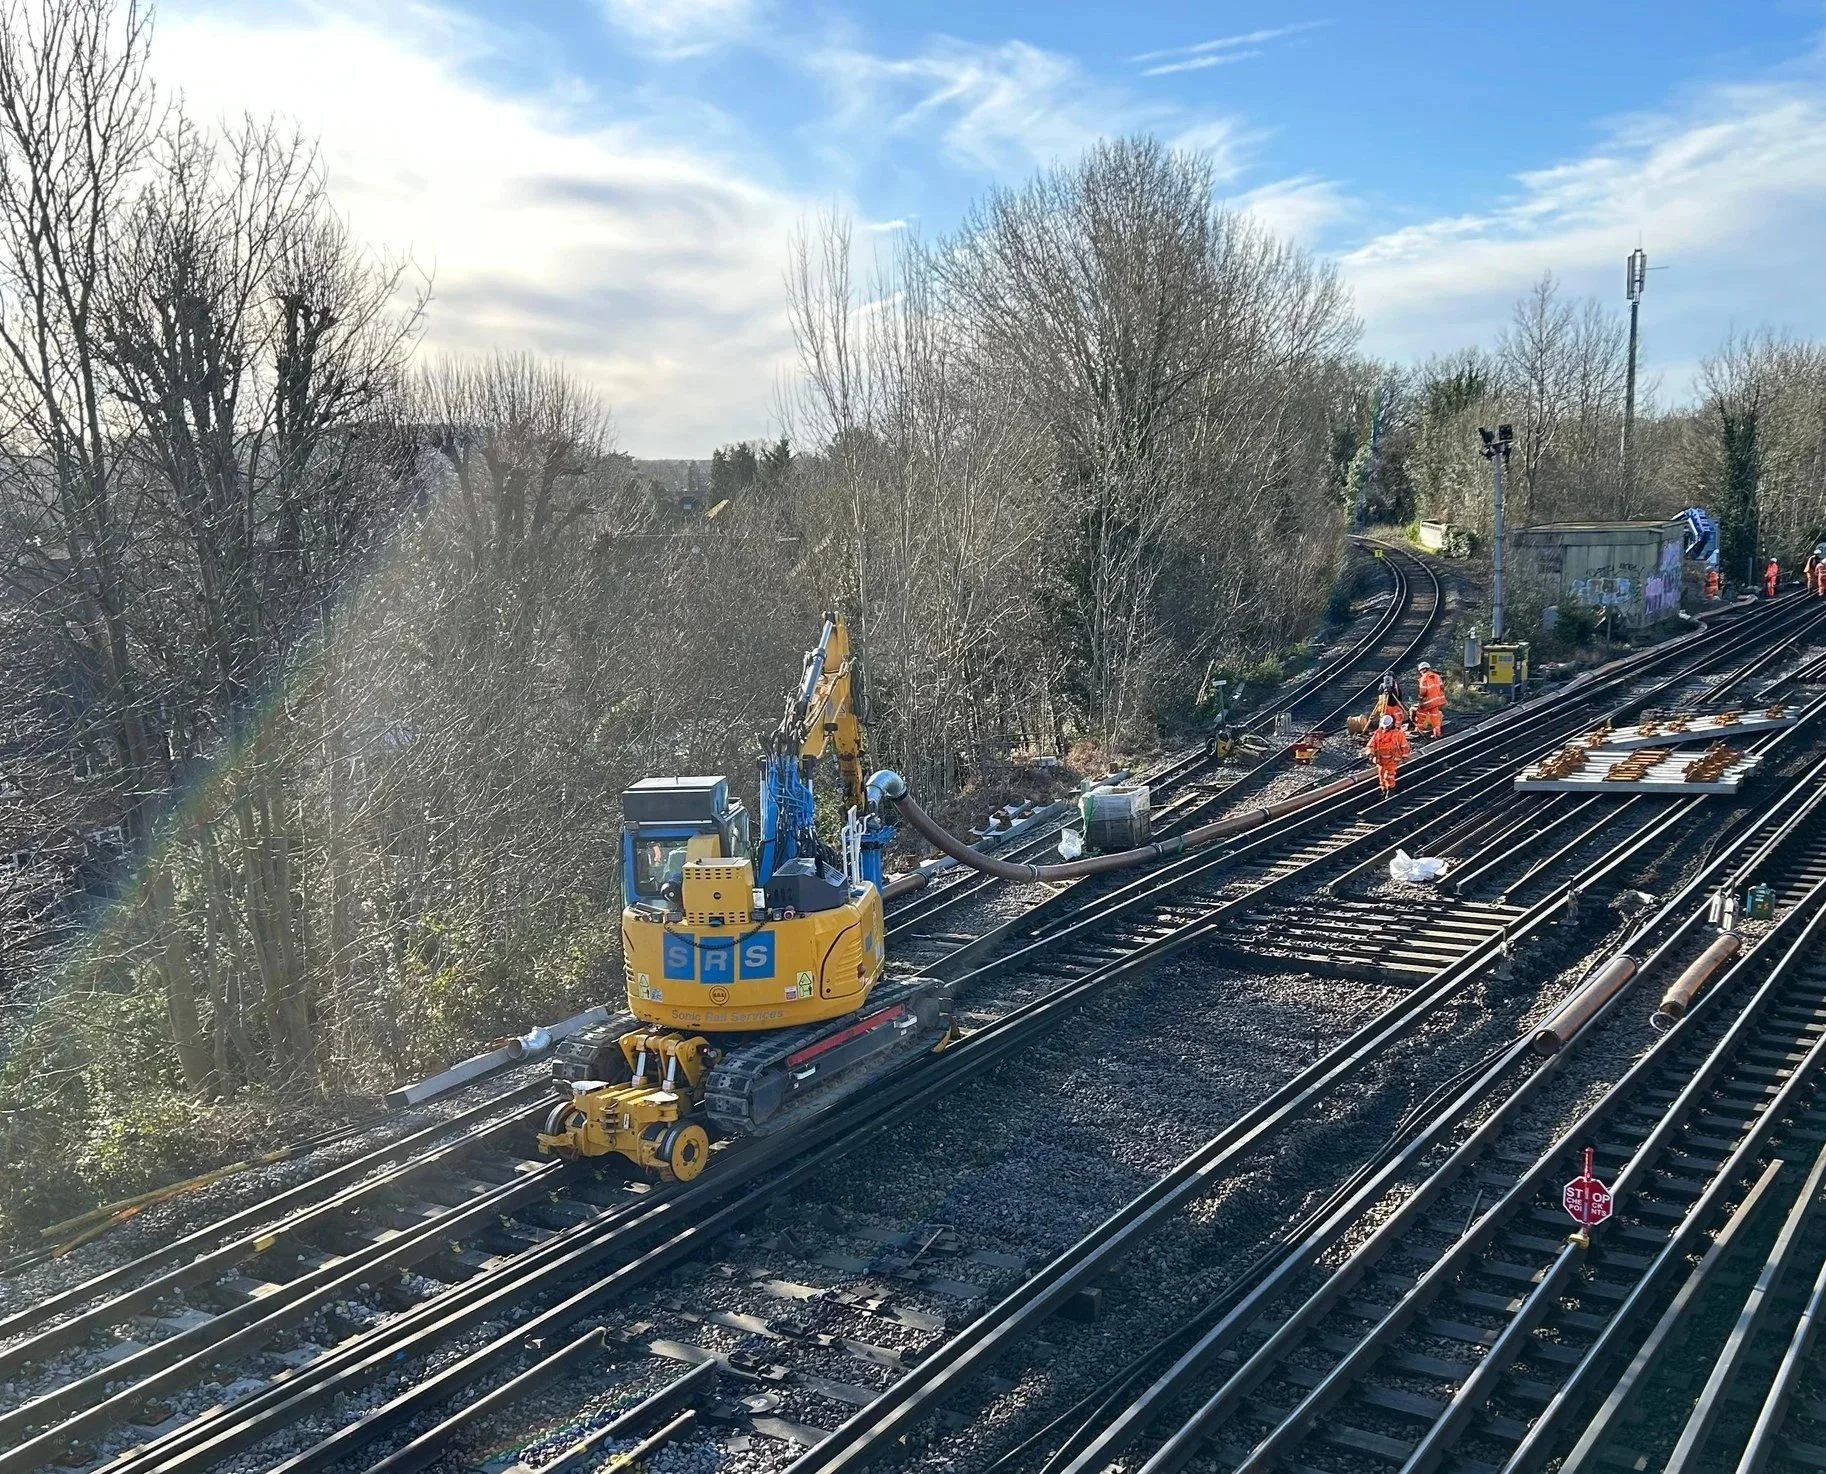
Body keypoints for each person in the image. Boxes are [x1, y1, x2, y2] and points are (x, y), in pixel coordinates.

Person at [1365, 712, 1411, 797]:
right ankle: (1384, 790)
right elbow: (1371, 744)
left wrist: (1405, 756)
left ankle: (1390, 790)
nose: (1385, 727)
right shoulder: (1378, 733)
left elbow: (1404, 746)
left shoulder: (1397, 734)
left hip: (1392, 760)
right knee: (1382, 777)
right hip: (1381, 760)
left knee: (1389, 776)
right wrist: (1370, 753)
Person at [1414, 661, 1446, 739]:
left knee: (1420, 713)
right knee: (1435, 717)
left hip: (1428, 702)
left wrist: (1420, 698)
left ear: (1423, 670)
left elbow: (1423, 691)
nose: (1420, 673)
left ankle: (1418, 729)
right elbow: (1442, 687)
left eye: (1420, 671)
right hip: (1437, 701)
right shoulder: (1437, 676)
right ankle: (1437, 734)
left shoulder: (1423, 678)